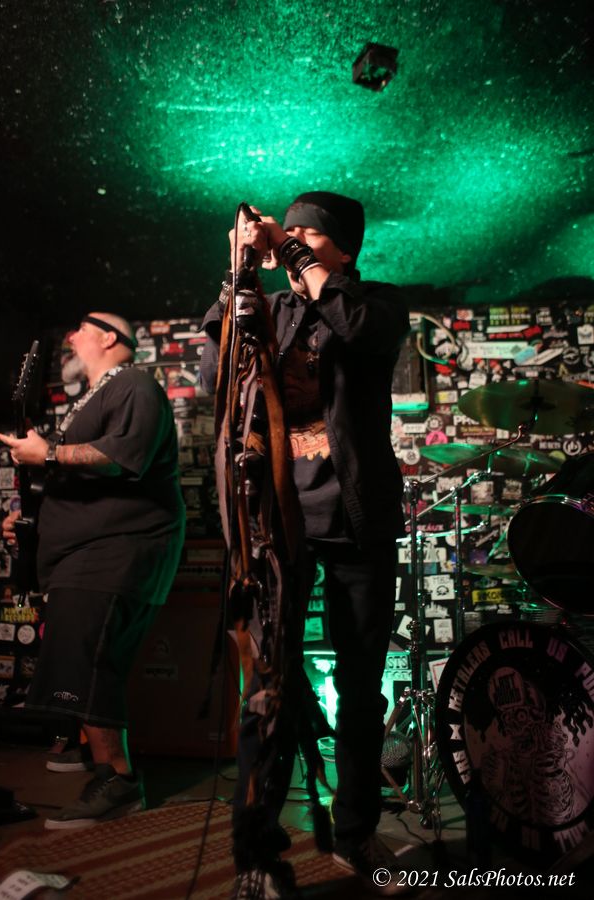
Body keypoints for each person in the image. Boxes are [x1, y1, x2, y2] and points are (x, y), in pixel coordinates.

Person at [201, 192, 410, 897]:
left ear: (344, 248)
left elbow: (357, 327)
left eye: (306, 232)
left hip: (357, 521)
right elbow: (215, 375)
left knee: (360, 688)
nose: (286, 236)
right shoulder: (269, 308)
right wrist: (237, 271)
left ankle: (355, 833)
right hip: (278, 524)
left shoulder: (379, 301)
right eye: (283, 227)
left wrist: (289, 253)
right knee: (270, 685)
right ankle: (257, 854)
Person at [0, 312, 186, 829]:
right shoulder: (97, 394)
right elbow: (74, 480)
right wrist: (30, 520)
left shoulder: (134, 384)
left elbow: (123, 456)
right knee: (80, 657)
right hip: (84, 554)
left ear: (109, 337)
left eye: (81, 327)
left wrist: (48, 453)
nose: (71, 336)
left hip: (114, 552)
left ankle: (118, 779)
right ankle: (95, 757)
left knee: (90, 659)